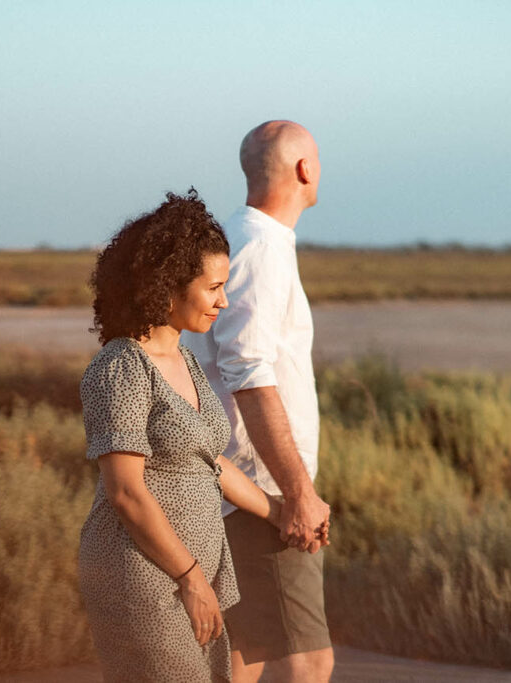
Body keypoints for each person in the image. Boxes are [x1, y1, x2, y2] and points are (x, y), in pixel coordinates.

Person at [77, 189, 288, 683]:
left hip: (195, 572)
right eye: (213, 287)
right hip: (143, 574)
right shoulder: (122, 368)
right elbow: (126, 493)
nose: (224, 300)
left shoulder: (185, 360)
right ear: (167, 285)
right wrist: (191, 579)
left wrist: (279, 513)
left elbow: (211, 463)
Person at [184, 121, 334, 683]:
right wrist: (296, 492)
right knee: (308, 661)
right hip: (259, 491)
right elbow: (247, 369)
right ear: (304, 169)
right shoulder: (262, 246)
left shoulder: (237, 238)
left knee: (242, 657)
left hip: (236, 483)